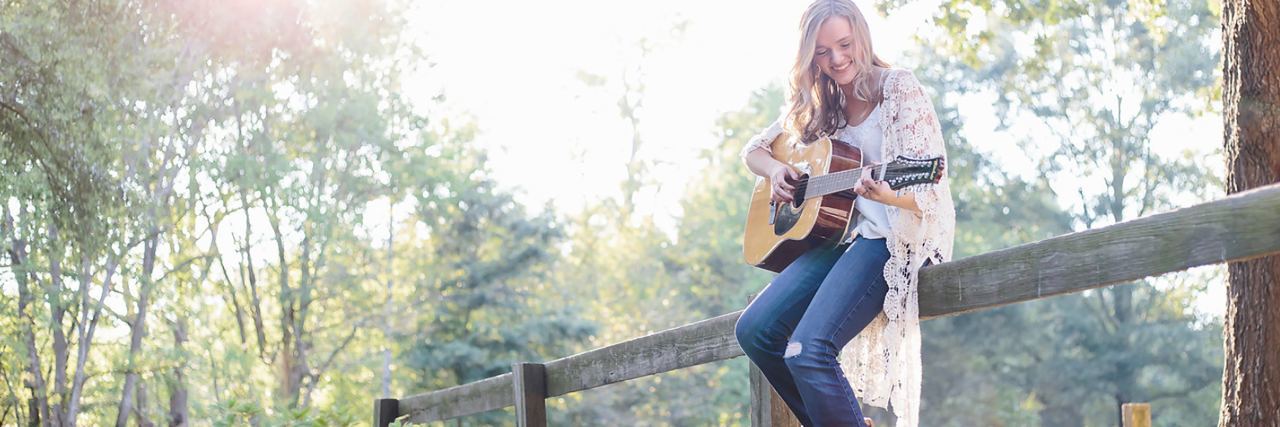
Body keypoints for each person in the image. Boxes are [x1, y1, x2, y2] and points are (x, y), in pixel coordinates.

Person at [732, 1, 956, 426]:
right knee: (755, 331)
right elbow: (753, 152)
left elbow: (929, 191)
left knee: (808, 349)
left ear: (861, 36)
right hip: (844, 239)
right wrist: (779, 170)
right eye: (821, 52)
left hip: (893, 235)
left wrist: (887, 194)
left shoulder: (898, 87)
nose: (836, 59)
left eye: (844, 44)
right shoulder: (822, 104)